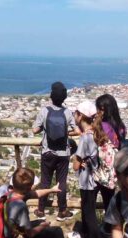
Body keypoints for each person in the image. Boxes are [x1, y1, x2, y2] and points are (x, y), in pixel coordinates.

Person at [32, 81, 79, 221]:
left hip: (47, 152)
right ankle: (62, 211)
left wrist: (44, 128)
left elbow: (35, 130)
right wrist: (65, 133)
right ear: (64, 98)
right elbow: (77, 131)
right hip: (63, 154)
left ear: (51, 96)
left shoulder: (44, 111)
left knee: (45, 181)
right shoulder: (67, 112)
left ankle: (41, 210)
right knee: (61, 182)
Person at [5, 168, 66, 238]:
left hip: (8, 230)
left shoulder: (9, 193)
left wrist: (52, 190)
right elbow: (30, 234)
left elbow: (36, 193)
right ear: (30, 187)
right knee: (57, 231)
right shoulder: (20, 206)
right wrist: (44, 225)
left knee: (39, 223)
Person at [67, 100, 100, 238]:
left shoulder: (85, 138)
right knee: (89, 210)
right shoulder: (97, 132)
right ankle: (87, 237)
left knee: (89, 213)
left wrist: (77, 161)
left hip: (87, 181)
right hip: (96, 178)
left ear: (80, 116)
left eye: (75, 113)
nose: (74, 116)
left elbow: (75, 165)